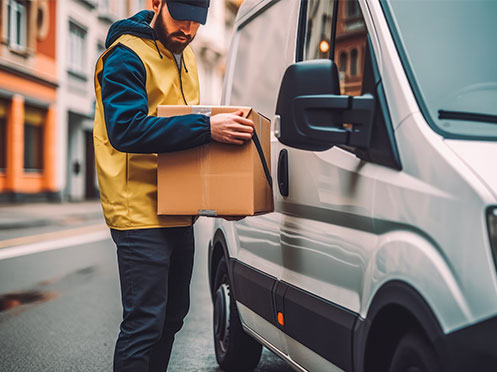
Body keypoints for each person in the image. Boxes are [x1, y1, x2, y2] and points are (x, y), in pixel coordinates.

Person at [93, 1, 254, 371]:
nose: (188, 28)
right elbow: (126, 129)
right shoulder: (125, 56)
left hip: (177, 210)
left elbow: (185, 145)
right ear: (155, 4)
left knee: (172, 318)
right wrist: (207, 128)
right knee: (144, 324)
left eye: (196, 21)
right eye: (180, 16)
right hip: (139, 212)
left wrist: (213, 197)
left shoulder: (188, 58)